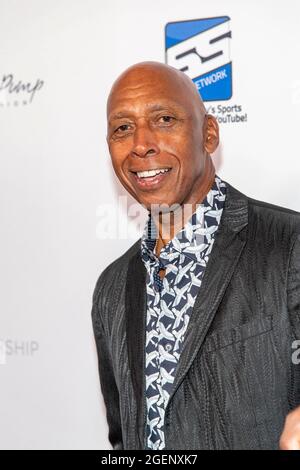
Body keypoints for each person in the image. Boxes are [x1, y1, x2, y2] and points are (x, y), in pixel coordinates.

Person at [91, 61, 300, 450]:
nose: (140, 143)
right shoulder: (112, 288)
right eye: (122, 128)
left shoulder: (289, 246)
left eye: (165, 119)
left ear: (208, 134)